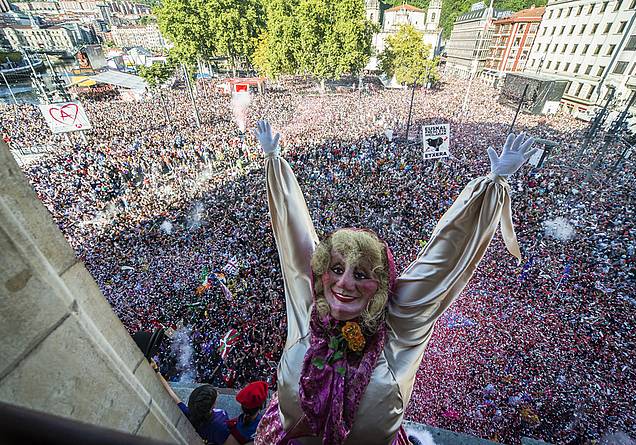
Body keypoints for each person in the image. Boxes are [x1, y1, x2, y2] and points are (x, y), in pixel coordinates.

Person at [252, 120, 536, 445]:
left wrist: (491, 186)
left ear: (382, 286)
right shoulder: (309, 307)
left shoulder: (399, 328)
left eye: (361, 275)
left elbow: (443, 261)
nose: (344, 284)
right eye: (336, 269)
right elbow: (294, 238)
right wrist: (275, 165)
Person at [156, 371, 241, 445]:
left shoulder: (188, 413)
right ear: (212, 406)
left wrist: (157, 372)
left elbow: (172, 395)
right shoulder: (220, 426)